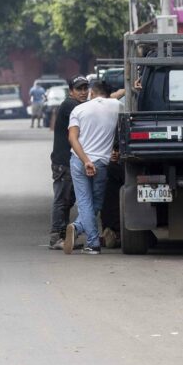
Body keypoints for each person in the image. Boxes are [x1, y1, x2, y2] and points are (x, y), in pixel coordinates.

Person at [64, 79, 122, 255]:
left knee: (85, 202)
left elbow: (72, 138)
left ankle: (91, 241)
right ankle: (82, 230)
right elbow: (115, 96)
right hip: (102, 163)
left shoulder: (78, 109)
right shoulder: (116, 106)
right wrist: (133, 86)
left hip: (79, 161)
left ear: (91, 93)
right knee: (96, 202)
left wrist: (85, 160)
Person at [48, 76, 88, 250]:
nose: (83, 92)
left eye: (86, 88)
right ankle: (56, 236)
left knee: (69, 199)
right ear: (71, 91)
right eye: (79, 89)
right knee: (61, 200)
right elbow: (89, 110)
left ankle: (64, 236)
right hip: (63, 162)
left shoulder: (78, 105)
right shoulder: (69, 105)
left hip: (69, 161)